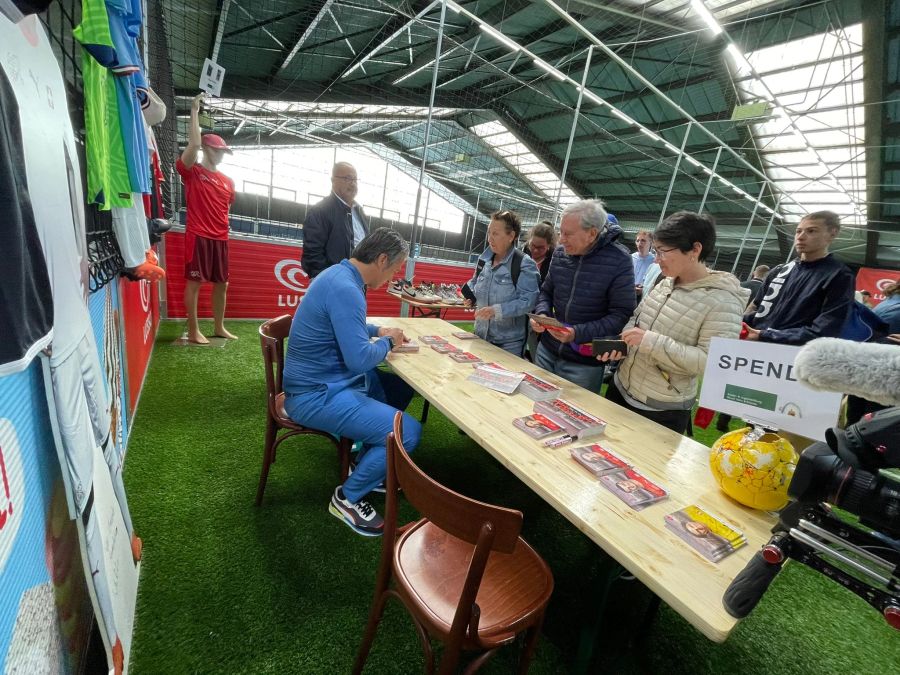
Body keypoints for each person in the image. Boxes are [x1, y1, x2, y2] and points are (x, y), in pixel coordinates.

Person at [282, 228, 421, 537]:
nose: (392, 277)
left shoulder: (339, 275)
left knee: (396, 389)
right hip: (314, 395)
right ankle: (347, 497)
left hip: (323, 383)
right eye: (395, 269)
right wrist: (389, 343)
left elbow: (346, 323)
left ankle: (366, 461)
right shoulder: (347, 288)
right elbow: (358, 359)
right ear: (383, 259)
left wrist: (377, 330)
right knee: (408, 432)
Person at [598, 211, 747, 434]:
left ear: (695, 250)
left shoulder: (724, 302)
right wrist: (625, 342)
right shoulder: (664, 283)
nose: (656, 260)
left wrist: (650, 341)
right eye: (656, 251)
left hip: (661, 409)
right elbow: (635, 319)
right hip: (621, 388)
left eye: (663, 252)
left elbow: (712, 362)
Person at [529, 200, 635, 392]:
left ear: (592, 233)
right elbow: (546, 291)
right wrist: (543, 315)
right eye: (560, 232)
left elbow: (620, 314)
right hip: (547, 350)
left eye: (567, 234)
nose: (561, 240)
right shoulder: (560, 254)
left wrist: (577, 333)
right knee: (533, 408)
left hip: (583, 363)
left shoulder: (620, 260)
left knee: (571, 418)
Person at [176, 93, 237, 344]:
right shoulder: (193, 171)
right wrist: (193, 110)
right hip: (198, 235)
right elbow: (192, 146)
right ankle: (193, 330)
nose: (221, 154)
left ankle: (219, 326)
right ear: (207, 148)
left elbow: (226, 207)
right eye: (218, 150)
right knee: (195, 283)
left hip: (220, 238)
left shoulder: (228, 182)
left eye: (223, 151)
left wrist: (226, 224)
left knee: (222, 284)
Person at [744, 211, 854, 345]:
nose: (800, 237)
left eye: (811, 231)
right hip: (751, 347)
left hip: (792, 355)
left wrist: (767, 335)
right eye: (798, 231)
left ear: (832, 234)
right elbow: (755, 307)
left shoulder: (838, 276)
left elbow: (825, 331)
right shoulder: (779, 271)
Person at [463, 210, 540, 356]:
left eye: (495, 234)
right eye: (489, 233)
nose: (489, 239)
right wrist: (472, 298)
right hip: (479, 337)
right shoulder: (483, 260)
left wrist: (496, 310)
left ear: (511, 236)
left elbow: (529, 301)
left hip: (508, 345)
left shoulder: (523, 264)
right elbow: (474, 283)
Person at [301, 161, 369, 279]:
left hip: (357, 283)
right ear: (333, 181)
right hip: (332, 284)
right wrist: (329, 281)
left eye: (355, 179)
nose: (353, 184)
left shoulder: (359, 212)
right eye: (347, 178)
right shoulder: (320, 211)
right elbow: (312, 254)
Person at [632, 229, 654, 295]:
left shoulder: (655, 261)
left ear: (651, 243)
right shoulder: (630, 258)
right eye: (637, 240)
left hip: (644, 295)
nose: (639, 243)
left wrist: (644, 289)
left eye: (643, 240)